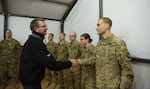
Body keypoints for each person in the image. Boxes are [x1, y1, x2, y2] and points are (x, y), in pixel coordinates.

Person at [19, 18, 77, 89]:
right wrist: (70, 63)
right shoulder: (36, 44)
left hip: (31, 80)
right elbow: (52, 65)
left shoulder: (34, 41)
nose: (46, 28)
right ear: (36, 29)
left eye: (45, 26)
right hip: (31, 82)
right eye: (43, 26)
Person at [95, 17, 134, 89]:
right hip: (100, 85)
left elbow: (127, 69)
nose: (96, 28)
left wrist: (123, 87)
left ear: (106, 26)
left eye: (98, 25)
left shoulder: (117, 43)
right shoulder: (100, 43)